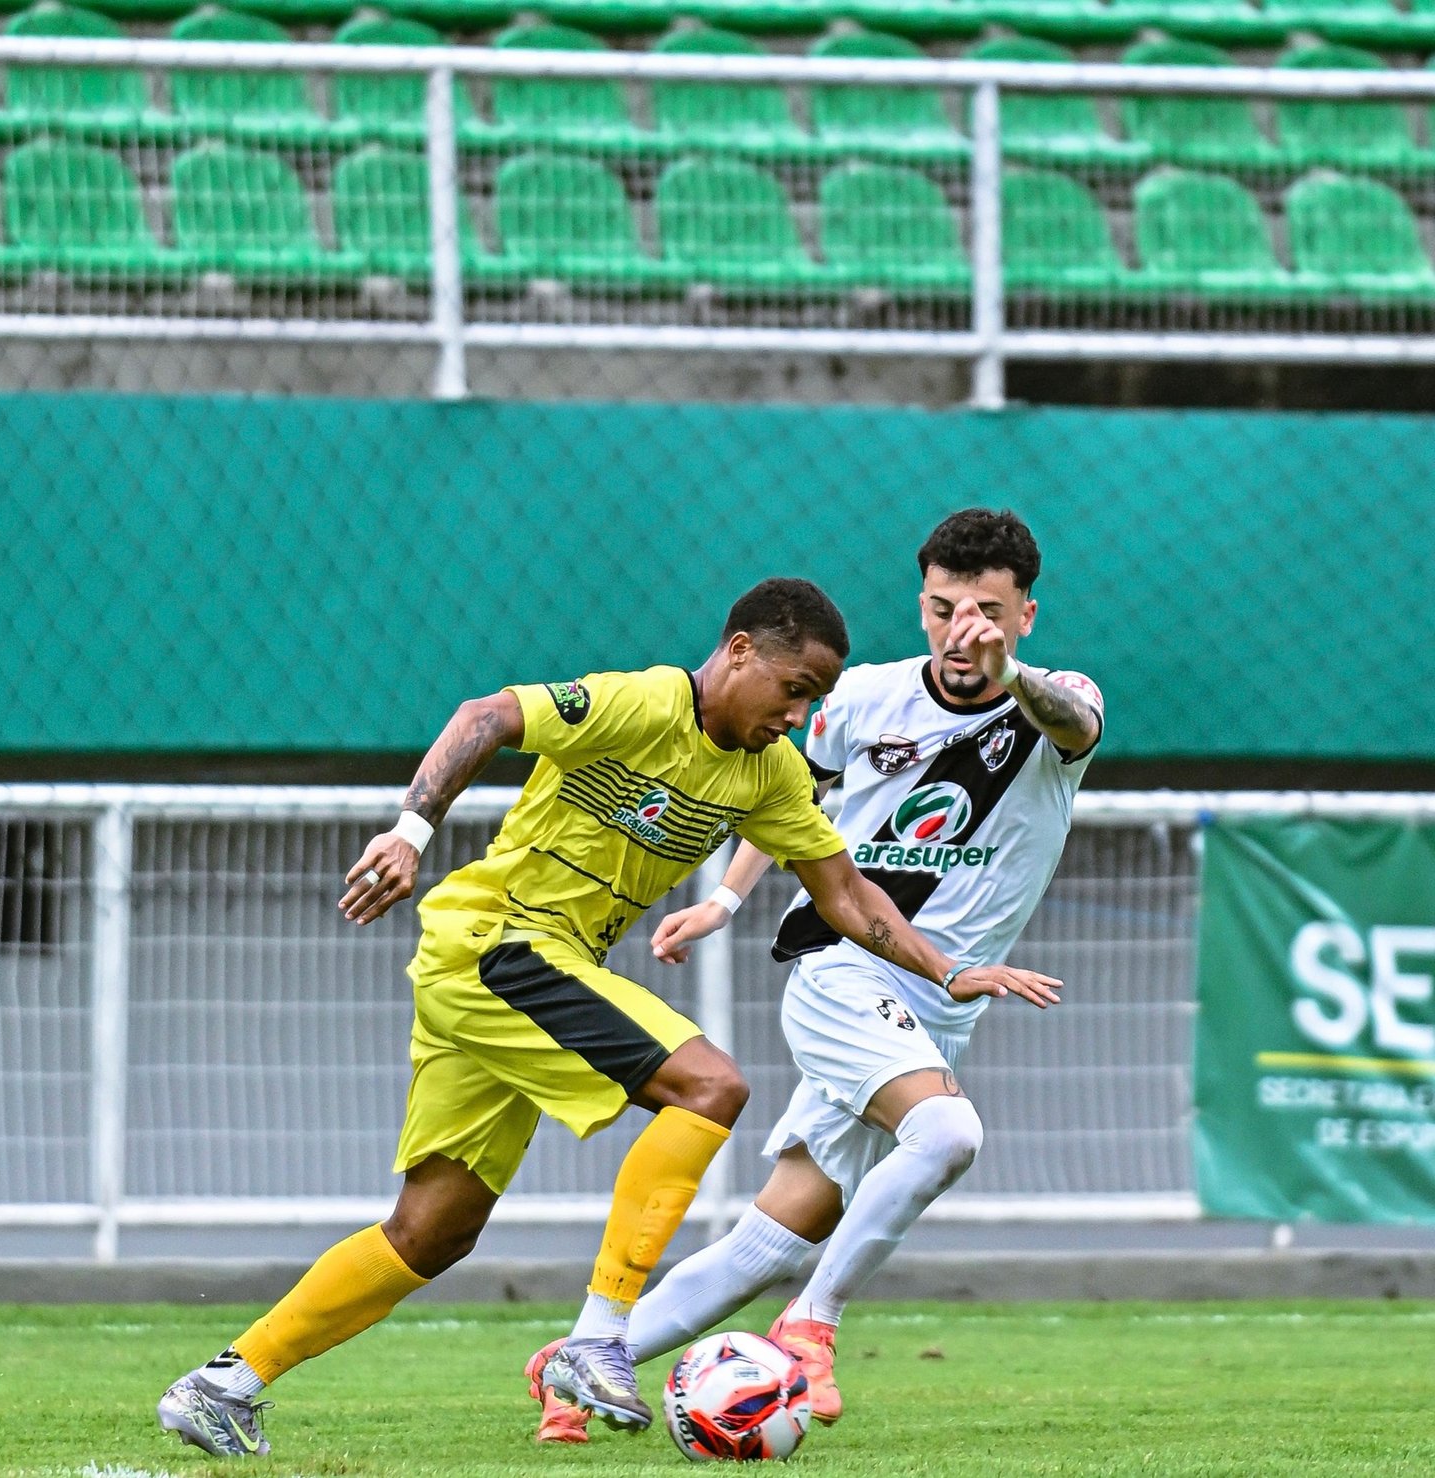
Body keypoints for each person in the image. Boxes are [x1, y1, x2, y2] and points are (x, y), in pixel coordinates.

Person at [155, 575, 1060, 1458]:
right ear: (740, 651)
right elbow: (485, 716)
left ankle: (223, 1383)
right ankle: (597, 1339)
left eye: (813, 699)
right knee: (711, 1087)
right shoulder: (644, 703)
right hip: (497, 942)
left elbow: (847, 894)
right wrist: (410, 832)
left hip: (518, 973)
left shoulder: (770, 774)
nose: (798, 715)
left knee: (431, 1232)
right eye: (793, 690)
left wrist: (947, 971)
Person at [527, 508, 1103, 1443]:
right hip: (843, 969)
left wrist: (1009, 673)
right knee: (948, 1132)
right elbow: (789, 801)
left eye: (987, 614)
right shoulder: (864, 698)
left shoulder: (1056, 703)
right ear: (922, 604)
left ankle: (579, 1364)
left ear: (1024, 616)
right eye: (943, 609)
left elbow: (1074, 722)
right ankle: (812, 1324)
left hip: (935, 1012)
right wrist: (726, 899)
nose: (963, 632)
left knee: (771, 1239)